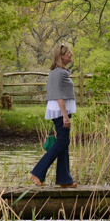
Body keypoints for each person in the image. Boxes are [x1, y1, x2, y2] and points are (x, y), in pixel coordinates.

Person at [29, 43, 77, 188]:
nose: (71, 55)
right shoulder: (58, 73)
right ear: (61, 56)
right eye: (69, 52)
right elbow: (58, 96)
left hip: (61, 111)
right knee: (62, 142)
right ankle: (37, 172)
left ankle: (64, 180)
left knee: (64, 143)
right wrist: (65, 116)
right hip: (60, 111)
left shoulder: (59, 72)